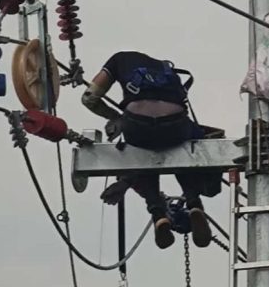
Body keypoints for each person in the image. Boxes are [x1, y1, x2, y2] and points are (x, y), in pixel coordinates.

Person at [82, 51, 214, 250]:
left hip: (138, 125)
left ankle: (158, 216)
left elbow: (89, 98)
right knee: (186, 150)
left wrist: (116, 118)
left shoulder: (118, 59)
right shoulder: (167, 69)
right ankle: (194, 204)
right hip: (175, 125)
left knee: (141, 155)